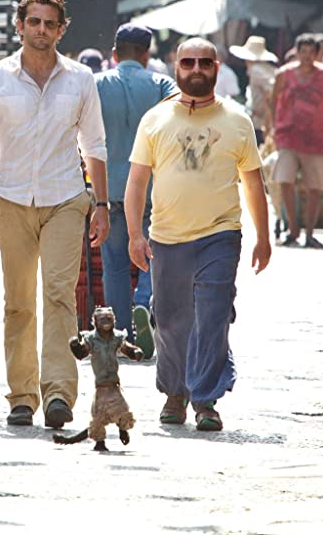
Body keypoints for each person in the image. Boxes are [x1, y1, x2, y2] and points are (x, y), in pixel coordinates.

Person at [0, 0, 110, 429]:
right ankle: (22, 396)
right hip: (11, 199)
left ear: (62, 30)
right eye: (34, 22)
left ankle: (60, 394)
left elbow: (96, 144)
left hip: (66, 197)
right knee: (18, 302)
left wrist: (100, 205)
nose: (41, 30)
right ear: (20, 26)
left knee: (59, 295)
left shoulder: (81, 79)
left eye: (50, 23)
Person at [125, 37, 271, 432]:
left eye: (204, 63)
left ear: (217, 69)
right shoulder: (154, 120)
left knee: (212, 314)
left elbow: (253, 184)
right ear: (176, 68)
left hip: (220, 235)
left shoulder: (237, 121)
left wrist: (264, 236)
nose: (196, 70)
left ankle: (205, 399)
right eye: (187, 63)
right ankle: (175, 393)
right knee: (171, 319)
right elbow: (137, 182)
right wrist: (134, 235)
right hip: (167, 237)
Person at [94, 23, 177, 358]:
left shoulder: (95, 85)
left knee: (113, 263)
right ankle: (144, 300)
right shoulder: (162, 84)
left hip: (109, 189)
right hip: (154, 188)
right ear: (146, 54)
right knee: (154, 255)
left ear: (114, 53)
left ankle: (120, 334)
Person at [270, 33, 323, 248]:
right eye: (302, 52)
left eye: (310, 52)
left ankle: (310, 233)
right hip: (288, 135)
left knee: (315, 187)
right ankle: (293, 228)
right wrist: (274, 126)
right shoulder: (284, 75)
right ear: (296, 53)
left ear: (317, 54)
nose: (306, 56)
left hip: (316, 138)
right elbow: (273, 100)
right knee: (284, 180)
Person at [230, 35, 278, 145]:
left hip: (261, 122)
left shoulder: (256, 70)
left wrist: (266, 113)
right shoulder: (270, 69)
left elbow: (270, 92)